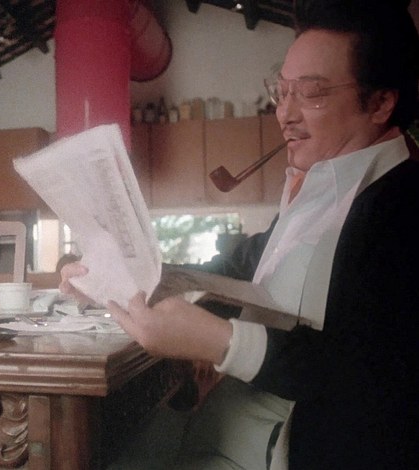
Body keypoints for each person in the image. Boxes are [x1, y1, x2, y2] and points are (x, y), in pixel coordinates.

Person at [63, 2, 419, 469]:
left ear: (381, 103)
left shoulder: (403, 205)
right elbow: (231, 271)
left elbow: (371, 372)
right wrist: (124, 276)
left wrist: (221, 341)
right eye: (282, 91)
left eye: (311, 94)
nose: (285, 114)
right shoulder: (316, 191)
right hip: (220, 428)